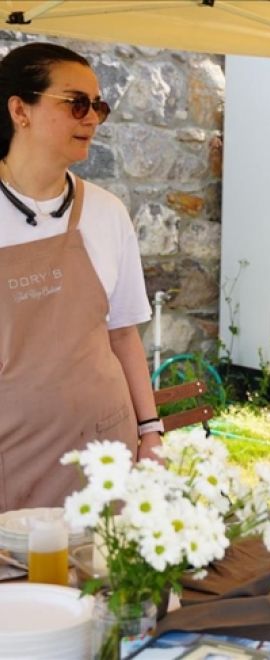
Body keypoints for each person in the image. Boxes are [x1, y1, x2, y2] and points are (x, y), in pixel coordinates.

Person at [0, 42, 160, 511]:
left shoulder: (107, 213)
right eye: (76, 103)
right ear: (20, 110)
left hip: (104, 449)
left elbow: (123, 334)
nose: (91, 118)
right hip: (12, 457)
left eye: (98, 106)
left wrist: (150, 431)